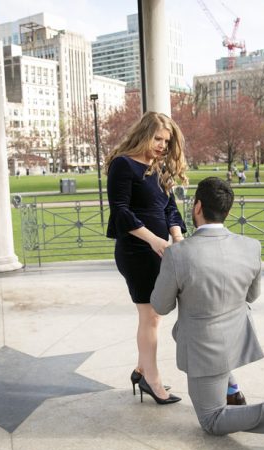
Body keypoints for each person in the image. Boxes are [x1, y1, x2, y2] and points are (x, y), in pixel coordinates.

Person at [150, 177, 264, 450]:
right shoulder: (251, 246)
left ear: (197, 206)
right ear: (227, 210)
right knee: (190, 334)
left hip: (203, 349)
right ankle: (232, 390)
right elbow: (252, 296)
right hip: (236, 336)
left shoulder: (177, 255)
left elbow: (160, 306)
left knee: (212, 420)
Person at [106, 111, 188, 405]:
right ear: (143, 134)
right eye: (157, 138)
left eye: (166, 141)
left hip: (160, 250)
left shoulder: (158, 168)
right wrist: (154, 239)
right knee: (151, 316)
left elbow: (169, 209)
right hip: (135, 250)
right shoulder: (122, 165)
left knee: (154, 316)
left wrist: (177, 238)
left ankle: (142, 370)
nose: (162, 146)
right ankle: (152, 380)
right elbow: (120, 210)